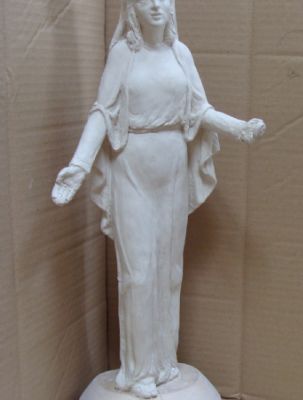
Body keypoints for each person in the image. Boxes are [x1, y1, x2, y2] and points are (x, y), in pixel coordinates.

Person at [52, 0, 266, 398]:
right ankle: (137, 372)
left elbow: (199, 109)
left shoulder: (180, 54)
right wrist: (79, 165)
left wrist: (239, 128)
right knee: (138, 273)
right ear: (131, 9)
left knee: (169, 271)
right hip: (131, 167)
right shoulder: (123, 54)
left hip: (172, 168)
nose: (155, 5)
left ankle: (164, 363)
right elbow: (103, 111)